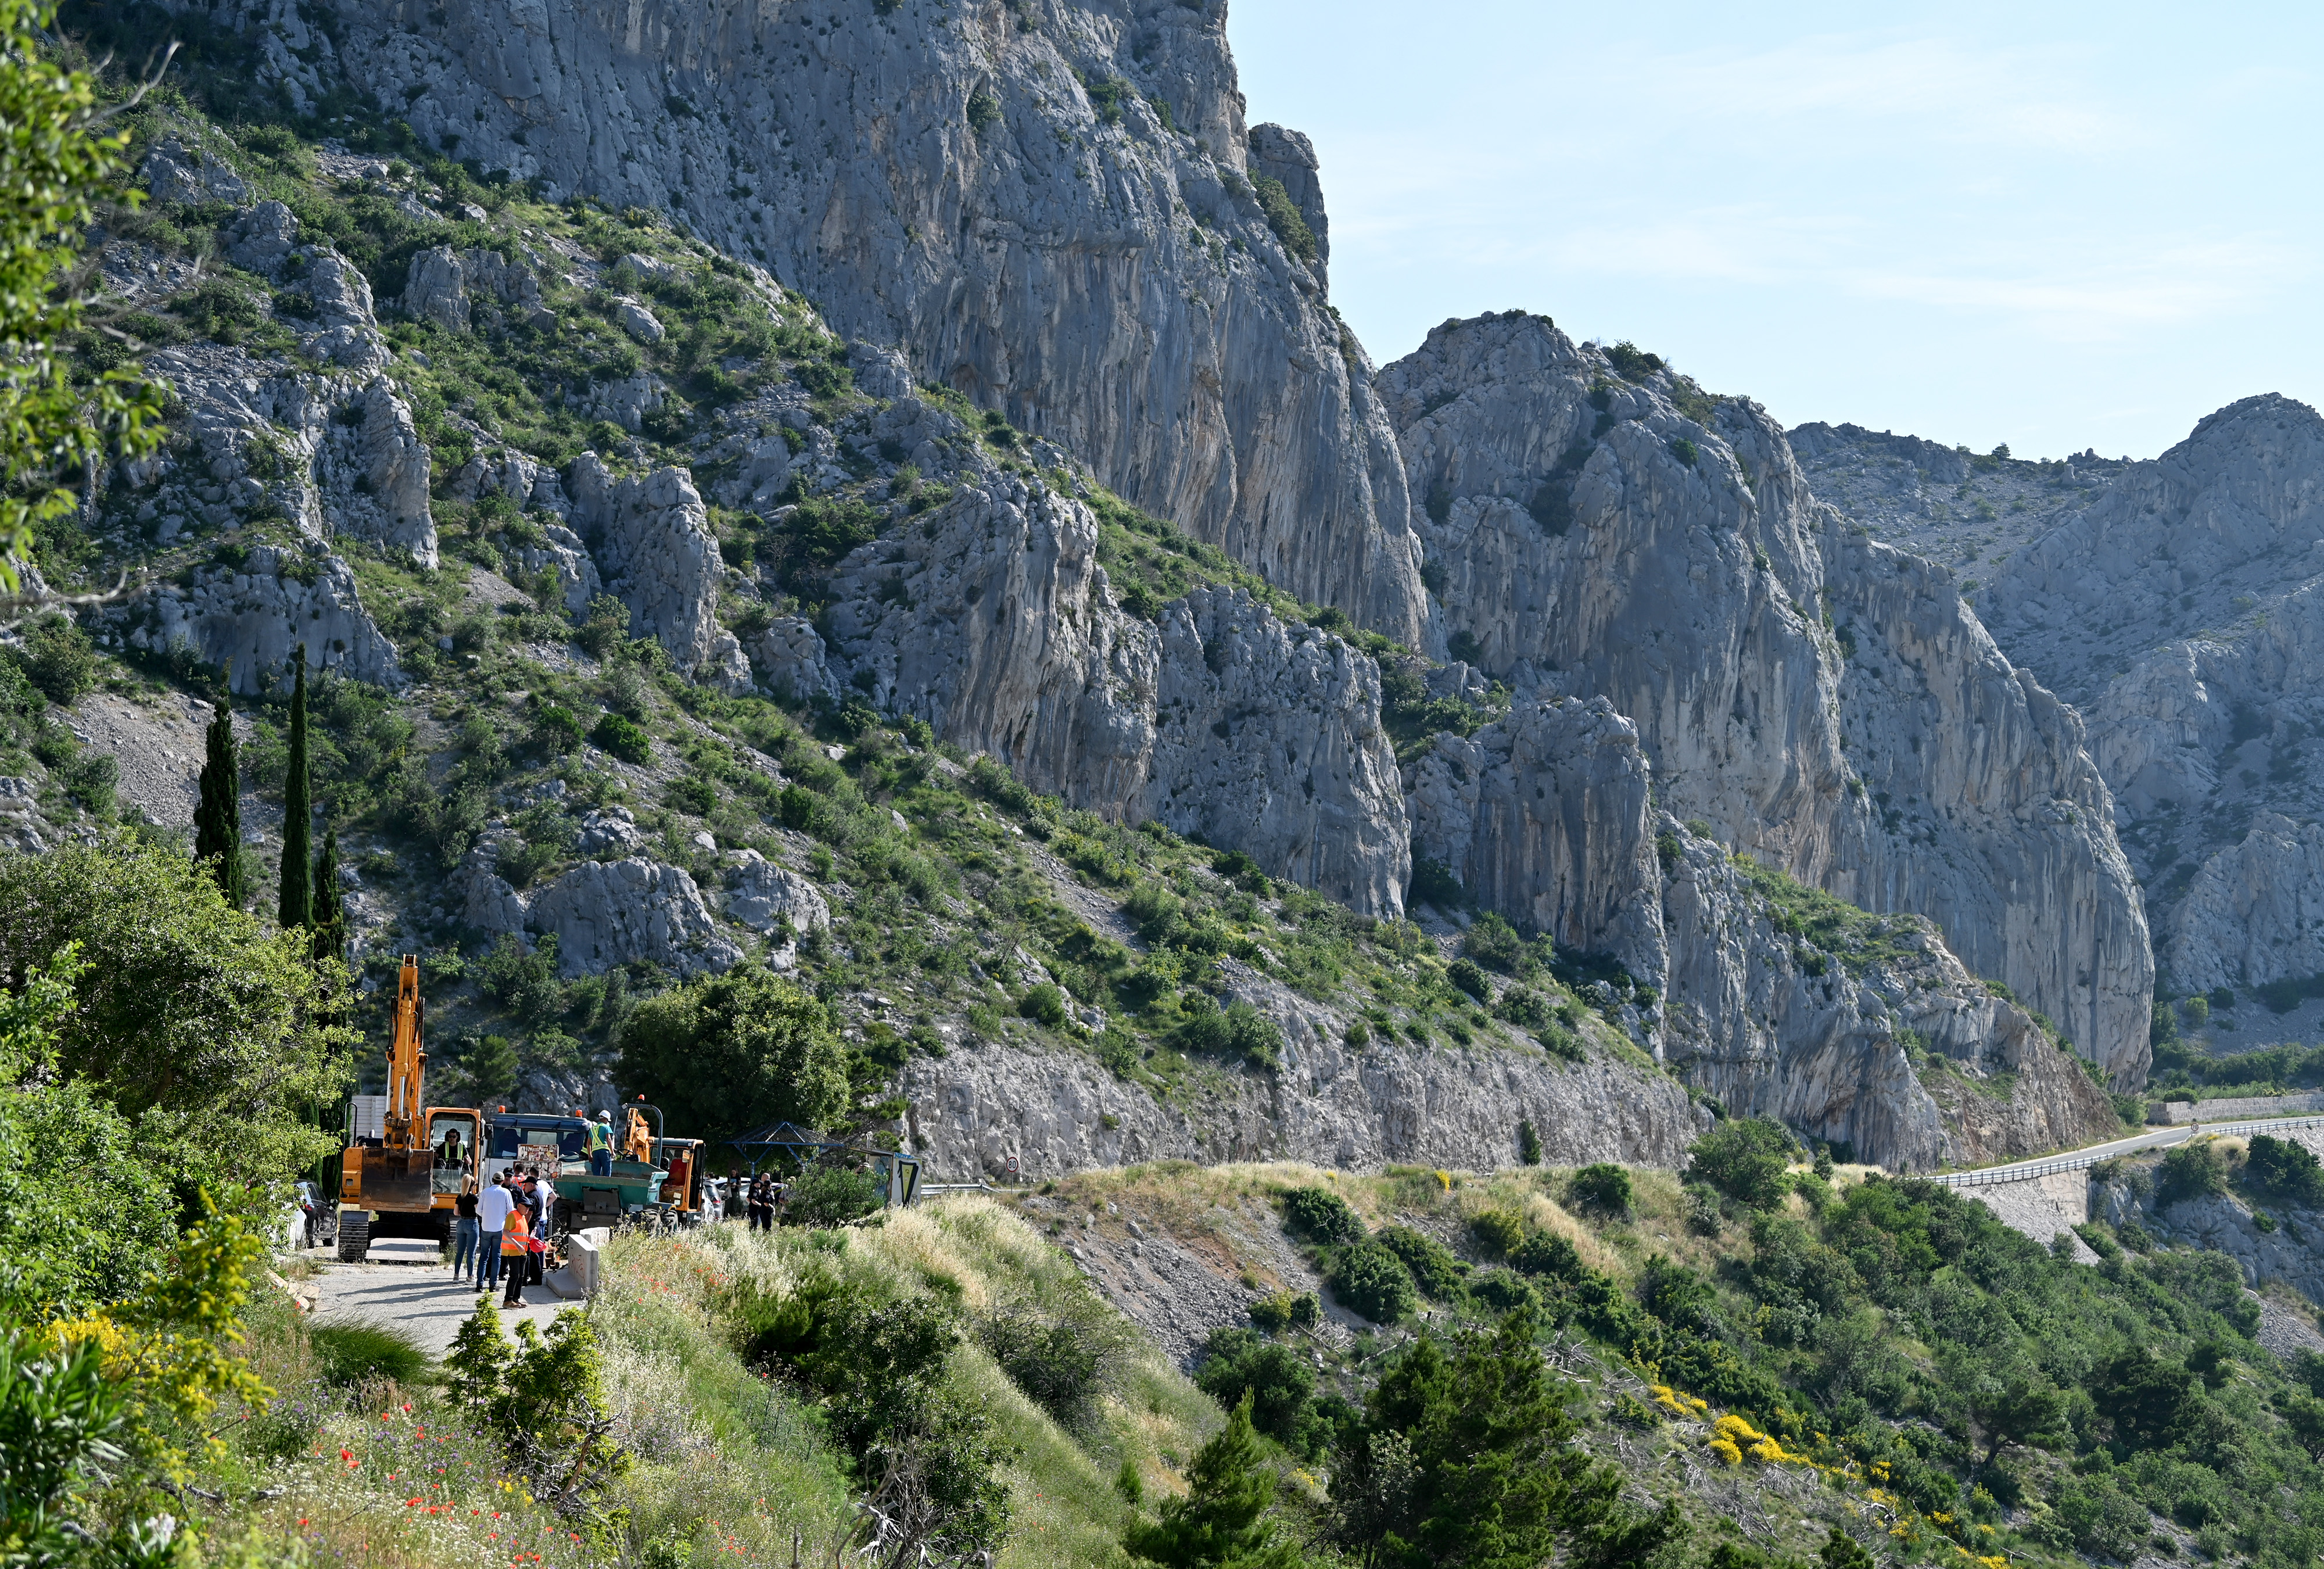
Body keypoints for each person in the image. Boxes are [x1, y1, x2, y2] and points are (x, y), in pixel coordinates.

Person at [476, 1173, 515, 1294]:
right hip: (499, 1228)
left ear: (492, 1180)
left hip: (486, 1227)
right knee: (496, 1256)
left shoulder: (485, 1192)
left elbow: (478, 1210)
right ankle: (492, 1285)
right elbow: (511, 1211)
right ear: (503, 1181)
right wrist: (502, 1217)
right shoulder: (506, 1192)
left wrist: (487, 1216)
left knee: (484, 1256)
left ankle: (479, 1284)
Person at [500, 1205, 532, 1309]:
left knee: (520, 1276)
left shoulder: (522, 1217)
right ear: (519, 1206)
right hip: (512, 1251)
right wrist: (517, 1245)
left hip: (522, 1252)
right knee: (515, 1275)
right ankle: (508, 1300)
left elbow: (521, 1234)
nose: (528, 1209)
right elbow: (506, 1232)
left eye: (529, 1207)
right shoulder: (513, 1215)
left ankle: (515, 1300)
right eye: (526, 1206)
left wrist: (530, 1238)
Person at [451, 1185, 481, 1284]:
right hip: (472, 1223)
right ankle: (470, 1277)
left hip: (461, 1223)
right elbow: (479, 1211)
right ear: (472, 1187)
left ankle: (456, 1276)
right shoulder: (474, 1198)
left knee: (460, 1251)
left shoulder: (460, 1197)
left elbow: (455, 1212)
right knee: (471, 1253)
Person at [587, 1109, 615, 1177]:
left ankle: (596, 1184)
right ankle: (606, 1184)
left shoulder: (592, 1129)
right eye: (607, 1120)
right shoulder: (606, 1127)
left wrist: (590, 1155)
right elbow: (608, 1139)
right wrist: (612, 1152)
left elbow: (588, 1144)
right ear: (605, 1119)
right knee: (607, 1172)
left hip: (595, 1153)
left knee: (596, 1174)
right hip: (604, 1152)